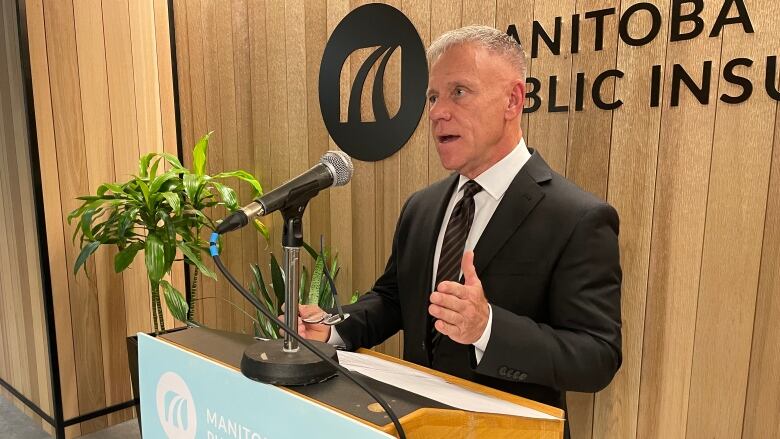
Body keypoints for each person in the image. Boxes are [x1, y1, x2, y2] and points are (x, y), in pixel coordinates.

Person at [296, 25, 622, 433]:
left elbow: (597, 357)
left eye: (459, 92)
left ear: (513, 100)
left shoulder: (578, 217)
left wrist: (488, 328)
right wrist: (331, 328)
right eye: (433, 97)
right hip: (417, 425)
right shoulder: (422, 206)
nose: (436, 112)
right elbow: (393, 299)